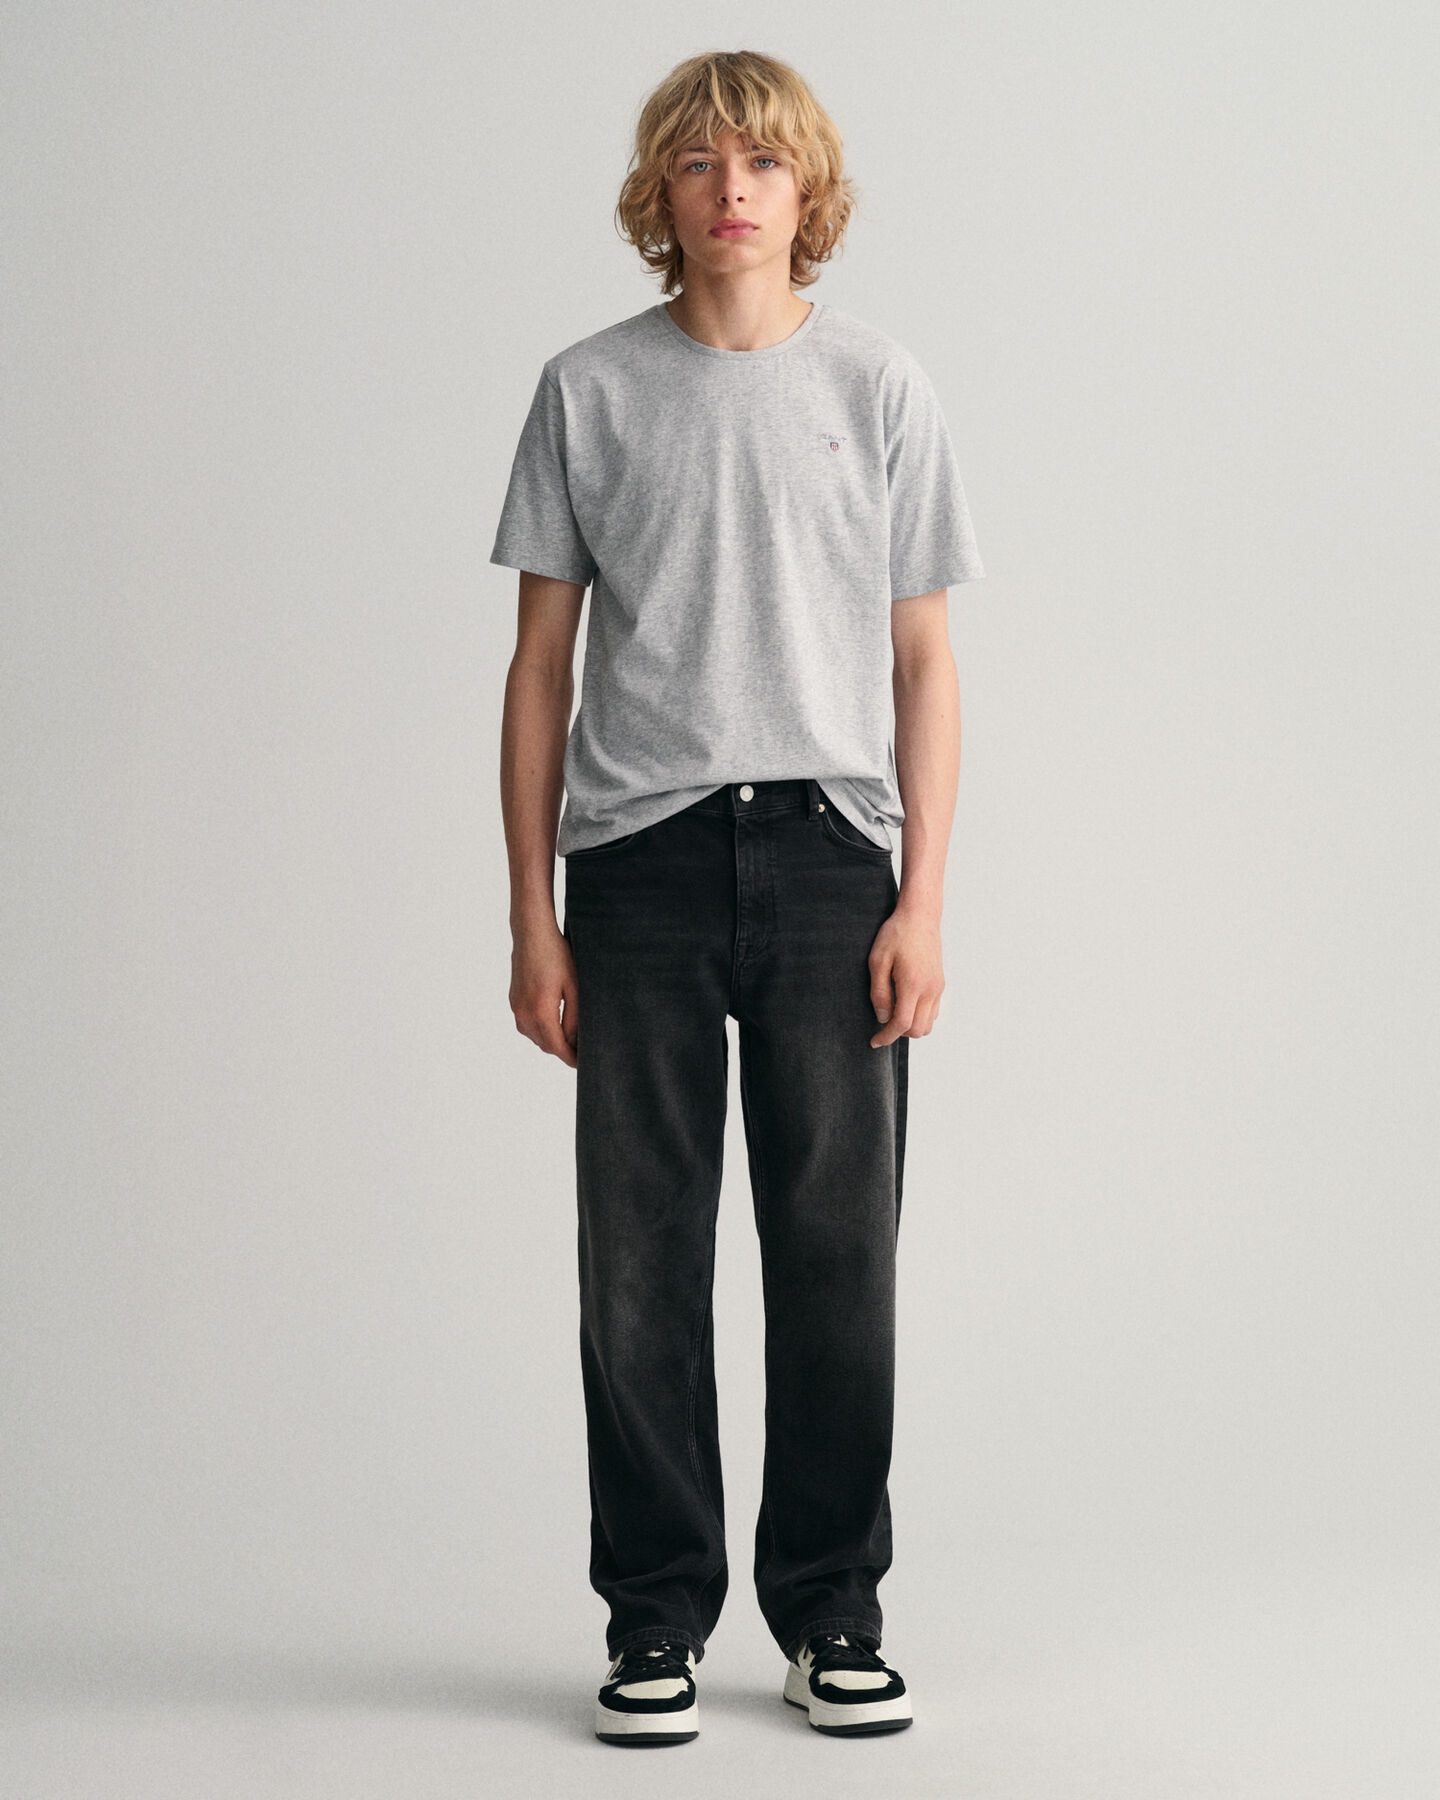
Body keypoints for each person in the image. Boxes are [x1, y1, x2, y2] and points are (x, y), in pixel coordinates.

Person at [491, 49, 985, 1745]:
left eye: (762, 162)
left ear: (805, 189)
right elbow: (540, 667)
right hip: (637, 861)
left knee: (838, 1254)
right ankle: (654, 1620)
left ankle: (832, 1610)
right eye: (699, 163)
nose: (731, 190)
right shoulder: (589, 390)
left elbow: (925, 660)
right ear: (662, 193)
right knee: (637, 1260)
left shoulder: (880, 387)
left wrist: (923, 899)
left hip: (834, 857)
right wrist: (532, 912)